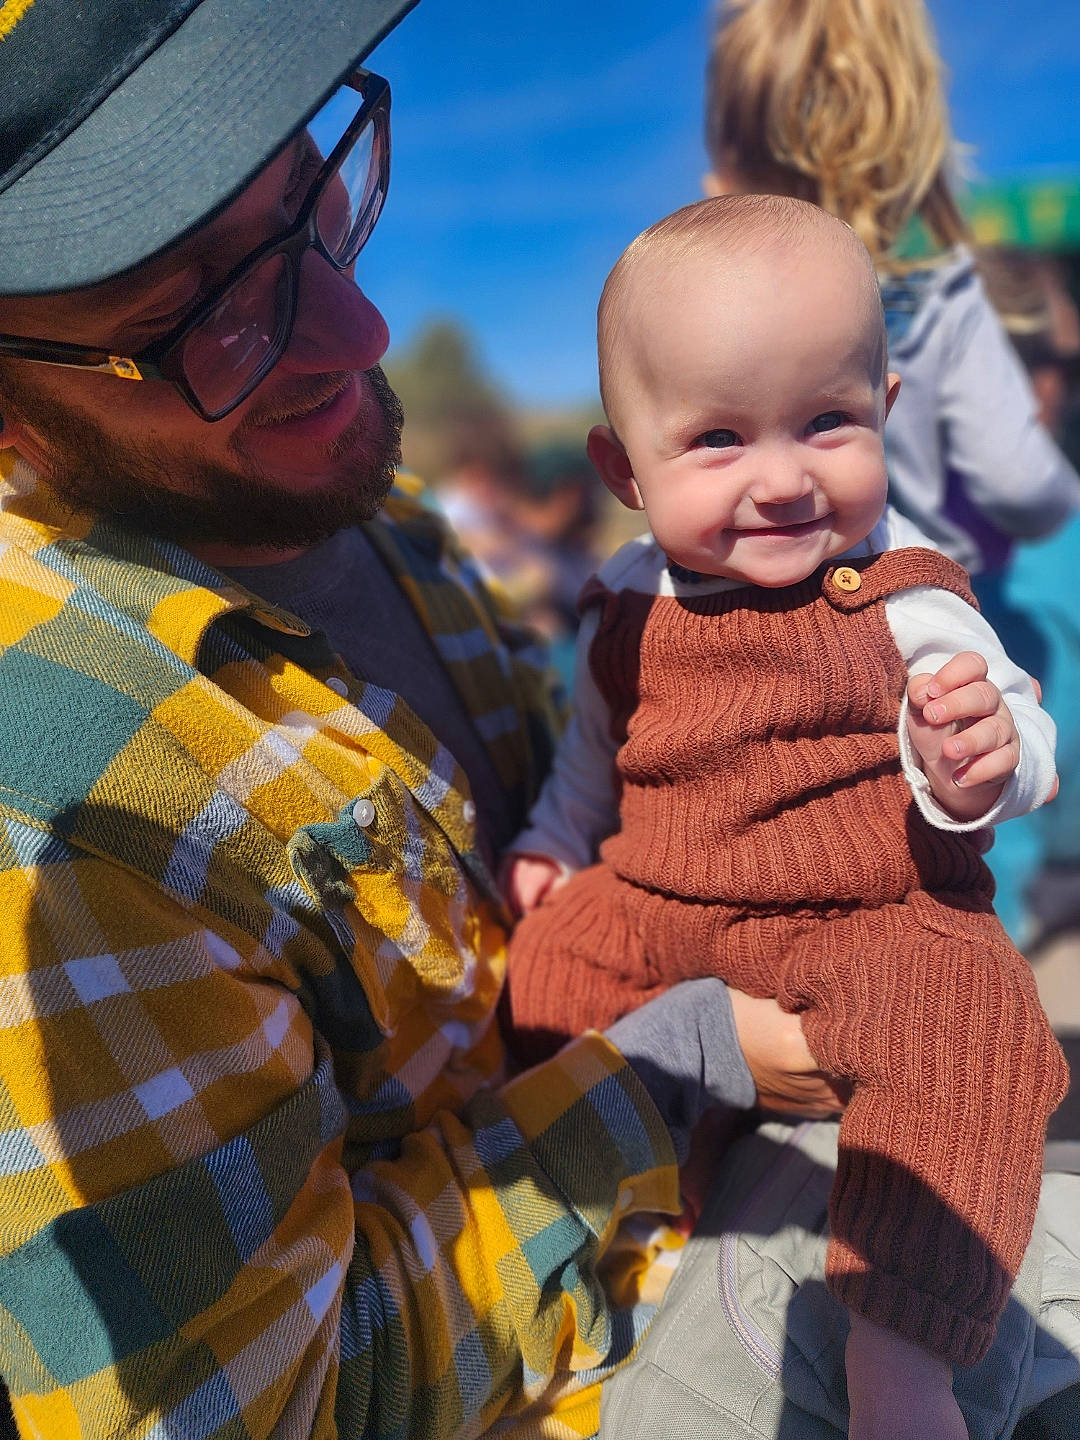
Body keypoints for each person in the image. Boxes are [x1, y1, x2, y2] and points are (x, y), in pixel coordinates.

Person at [0, 4, 842, 1437]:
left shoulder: (367, 510)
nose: (359, 325)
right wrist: (677, 1069)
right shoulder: (58, 807)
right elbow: (274, 1405)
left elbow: (558, 808)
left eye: (306, 193)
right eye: (198, 310)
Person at [501, 194, 1067, 1438]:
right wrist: (550, 848)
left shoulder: (902, 597)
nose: (782, 477)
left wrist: (976, 760)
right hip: (660, 898)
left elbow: (1024, 729)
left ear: (888, 416)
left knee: (974, 1029)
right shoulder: (618, 613)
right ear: (623, 470)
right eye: (717, 439)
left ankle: (901, 1353)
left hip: (868, 913)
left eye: (828, 422)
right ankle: (637, 1195)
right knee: (537, 977)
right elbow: (591, 768)